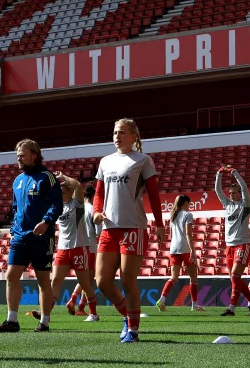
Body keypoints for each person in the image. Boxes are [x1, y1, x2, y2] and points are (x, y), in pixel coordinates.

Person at [92, 118, 164, 342]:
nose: (117, 136)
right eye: (114, 132)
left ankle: (133, 330)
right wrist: (96, 211)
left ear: (133, 136)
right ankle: (127, 316)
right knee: (102, 282)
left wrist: (159, 224)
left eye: (122, 132)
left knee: (127, 281)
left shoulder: (143, 160)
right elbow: (98, 194)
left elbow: (153, 194)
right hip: (108, 228)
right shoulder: (105, 161)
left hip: (133, 227)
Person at [0, 139, 62, 333]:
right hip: (20, 237)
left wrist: (46, 222)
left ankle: (45, 322)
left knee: (42, 280)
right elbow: (15, 208)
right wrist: (15, 230)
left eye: (22, 154)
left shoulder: (47, 177)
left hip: (42, 237)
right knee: (11, 275)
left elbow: (57, 204)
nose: (19, 158)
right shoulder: (18, 180)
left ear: (34, 154)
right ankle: (12, 320)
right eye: (17, 156)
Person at [34, 172, 98, 326]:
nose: (60, 194)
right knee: (55, 281)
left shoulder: (77, 204)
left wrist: (63, 177)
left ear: (70, 193)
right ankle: (46, 313)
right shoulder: (57, 207)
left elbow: (77, 185)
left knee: (84, 282)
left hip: (78, 247)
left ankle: (93, 313)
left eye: (62, 192)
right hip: (62, 248)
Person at [216, 165, 250, 316]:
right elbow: (217, 191)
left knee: (235, 276)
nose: (232, 195)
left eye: (234, 193)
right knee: (234, 279)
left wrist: (234, 172)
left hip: (242, 243)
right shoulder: (228, 205)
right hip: (229, 246)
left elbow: (244, 188)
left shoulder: (245, 205)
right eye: (230, 193)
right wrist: (219, 174)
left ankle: (231, 309)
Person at [156, 195, 205, 312]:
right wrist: (193, 250)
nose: (189, 206)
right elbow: (188, 234)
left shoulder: (173, 215)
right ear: (185, 203)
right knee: (193, 278)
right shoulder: (188, 215)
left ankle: (162, 299)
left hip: (173, 248)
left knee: (174, 277)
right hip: (185, 248)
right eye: (189, 204)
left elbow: (172, 235)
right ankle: (194, 305)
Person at [65, 184, 99, 320]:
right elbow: (98, 231)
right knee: (88, 279)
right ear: (92, 196)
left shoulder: (78, 208)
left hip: (79, 244)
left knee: (86, 278)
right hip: (90, 245)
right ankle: (77, 304)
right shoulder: (91, 210)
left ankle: (78, 304)